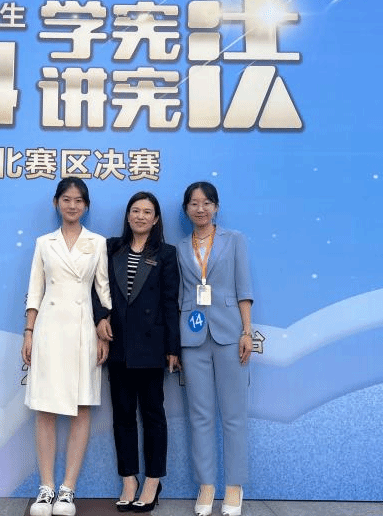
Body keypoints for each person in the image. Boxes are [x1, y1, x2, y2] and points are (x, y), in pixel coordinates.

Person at [21, 177, 112, 516]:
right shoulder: (44, 243)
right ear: (56, 203)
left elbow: (103, 292)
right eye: (66, 199)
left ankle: (67, 489)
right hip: (49, 329)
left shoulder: (97, 242)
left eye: (78, 200)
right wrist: (29, 331)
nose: (72, 205)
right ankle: (45, 488)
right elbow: (35, 290)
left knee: (81, 406)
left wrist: (103, 333)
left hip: (84, 331)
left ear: (86, 206)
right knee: (44, 407)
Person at [94, 191, 180, 513]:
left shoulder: (166, 253)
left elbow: (170, 302)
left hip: (152, 346)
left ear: (156, 219)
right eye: (135, 210)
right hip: (118, 344)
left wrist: (173, 347)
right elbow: (96, 288)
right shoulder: (111, 247)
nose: (140, 216)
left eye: (147, 212)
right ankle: (128, 479)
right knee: (123, 415)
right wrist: (101, 317)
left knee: (154, 415)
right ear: (128, 215)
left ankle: (153, 481)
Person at [176, 181, 254, 516]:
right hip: (192, 336)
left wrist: (247, 331)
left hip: (229, 334)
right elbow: (180, 293)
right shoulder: (180, 248)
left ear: (216, 207)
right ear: (186, 209)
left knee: (233, 415)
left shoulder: (234, 240)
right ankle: (206, 484)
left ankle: (234, 485)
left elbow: (243, 289)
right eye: (194, 203)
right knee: (200, 415)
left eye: (206, 203)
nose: (200, 209)